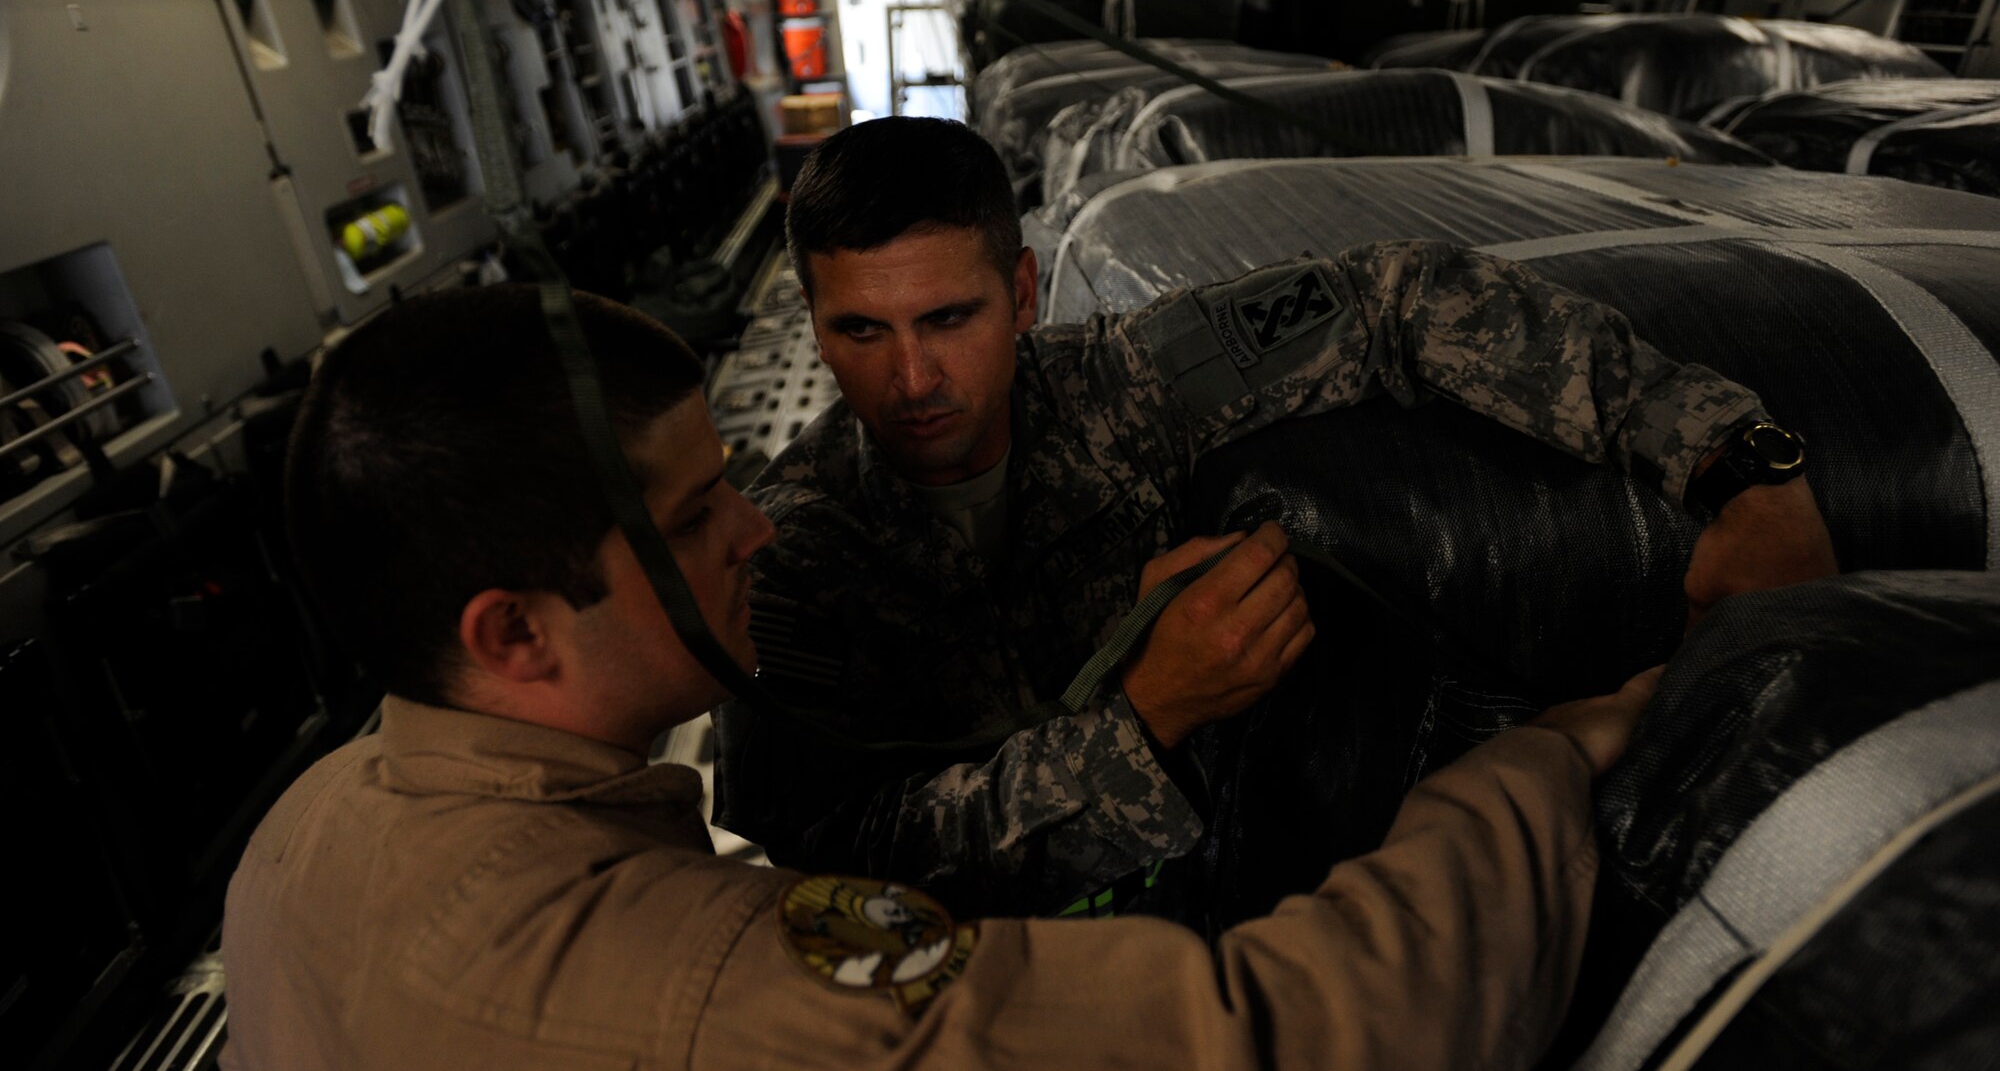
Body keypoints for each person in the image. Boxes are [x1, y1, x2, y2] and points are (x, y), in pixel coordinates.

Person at [221, 282, 1660, 1071]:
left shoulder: (307, 836)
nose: (759, 530)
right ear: (513, 634)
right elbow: (1311, 1029)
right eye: (691, 520)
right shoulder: (722, 979)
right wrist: (1537, 768)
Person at [713, 116, 1838, 917]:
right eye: (861, 332)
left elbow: (1402, 298)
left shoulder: (1125, 383)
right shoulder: (789, 559)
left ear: (1019, 293)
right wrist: (1143, 721)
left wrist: (1736, 462)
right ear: (810, 322)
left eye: (948, 318)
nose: (911, 379)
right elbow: (835, 879)